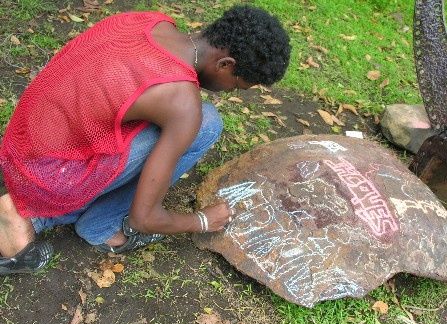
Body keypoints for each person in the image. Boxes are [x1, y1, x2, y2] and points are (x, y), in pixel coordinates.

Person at [0, 5, 291, 274]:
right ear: (226, 65)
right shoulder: (181, 102)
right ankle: (87, 224)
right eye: (238, 86)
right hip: (48, 176)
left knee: (188, 121)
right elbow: (144, 218)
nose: (232, 92)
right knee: (208, 123)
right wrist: (202, 221)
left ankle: (31, 206)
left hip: (21, 145)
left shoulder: (150, 21)